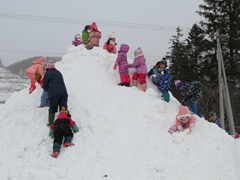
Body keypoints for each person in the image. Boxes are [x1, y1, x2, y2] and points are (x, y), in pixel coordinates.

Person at [43, 60, 68, 126]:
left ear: (47, 68)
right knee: (63, 108)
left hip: (54, 93)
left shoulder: (47, 74)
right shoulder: (58, 72)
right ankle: (64, 122)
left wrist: (47, 90)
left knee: (53, 108)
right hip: (63, 93)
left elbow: (45, 85)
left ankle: (51, 123)